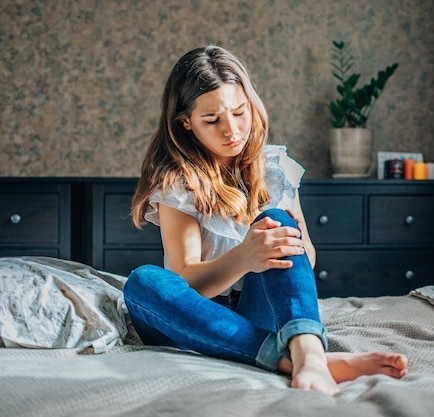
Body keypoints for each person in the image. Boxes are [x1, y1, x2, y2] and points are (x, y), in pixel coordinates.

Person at [124, 44, 408, 395]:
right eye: (212, 120)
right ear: (186, 123)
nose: (231, 130)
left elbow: (308, 259)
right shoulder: (178, 182)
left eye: (239, 113)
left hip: (261, 312)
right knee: (143, 283)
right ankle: (295, 360)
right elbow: (187, 281)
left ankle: (308, 353)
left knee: (274, 219)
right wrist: (244, 257)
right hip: (192, 319)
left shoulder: (275, 170)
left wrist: (296, 241)